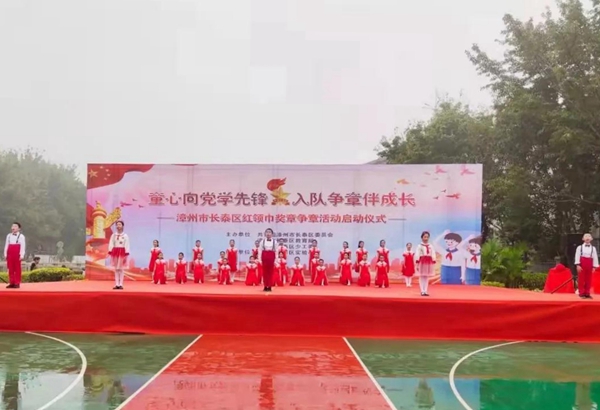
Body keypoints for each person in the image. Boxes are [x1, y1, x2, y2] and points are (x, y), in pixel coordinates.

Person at [574, 233, 598, 299]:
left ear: (591, 239)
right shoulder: (580, 247)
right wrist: (578, 265)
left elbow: (595, 257)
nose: (587, 238)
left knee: (588, 279)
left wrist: (594, 266)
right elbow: (577, 256)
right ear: (583, 239)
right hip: (582, 264)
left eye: (589, 236)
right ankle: (581, 293)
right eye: (586, 236)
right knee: (581, 279)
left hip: (589, 263)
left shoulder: (593, 248)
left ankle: (587, 293)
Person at [107, 220, 129, 290]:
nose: (118, 226)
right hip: (115, 252)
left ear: (122, 226)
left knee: (121, 269)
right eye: (117, 225)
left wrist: (126, 253)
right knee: (116, 269)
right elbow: (111, 243)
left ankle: (121, 284)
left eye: (120, 224)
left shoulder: (125, 235)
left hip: (122, 253)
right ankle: (117, 284)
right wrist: (110, 250)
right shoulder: (113, 235)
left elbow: (127, 244)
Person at [4, 223, 26, 289]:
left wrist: (22, 255)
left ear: (19, 229)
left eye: (15, 226)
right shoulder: (8, 236)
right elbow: (6, 245)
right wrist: (5, 254)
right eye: (13, 226)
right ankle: (12, 283)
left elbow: (23, 246)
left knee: (17, 269)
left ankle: (17, 283)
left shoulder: (21, 236)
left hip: (17, 253)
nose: (13, 227)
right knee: (10, 268)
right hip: (10, 253)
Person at [416, 231, 436, 296]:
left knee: (426, 276)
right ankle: (422, 291)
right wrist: (417, 262)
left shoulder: (431, 246)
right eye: (425, 237)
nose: (426, 238)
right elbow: (417, 254)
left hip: (428, 261)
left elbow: (433, 253)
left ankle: (425, 290)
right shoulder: (419, 246)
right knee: (422, 276)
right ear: (422, 237)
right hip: (422, 261)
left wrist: (433, 260)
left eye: (427, 237)